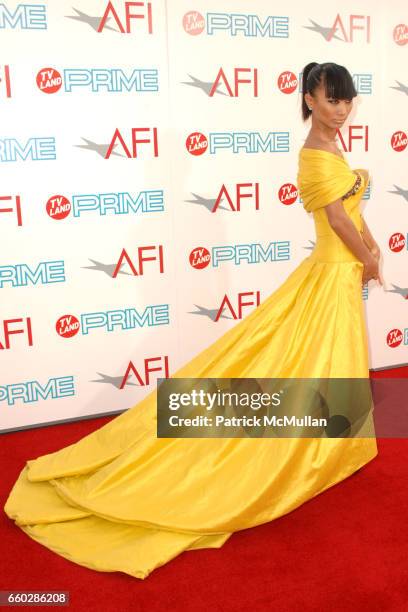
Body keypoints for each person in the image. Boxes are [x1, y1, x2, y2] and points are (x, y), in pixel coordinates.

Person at [4, 61, 382, 580]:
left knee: (325, 362)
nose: (341, 109)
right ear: (309, 100)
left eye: (347, 99)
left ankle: (328, 449)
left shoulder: (334, 146)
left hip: (339, 273)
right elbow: (337, 219)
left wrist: (371, 243)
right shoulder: (314, 153)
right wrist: (369, 258)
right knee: (298, 359)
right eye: (330, 98)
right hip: (334, 270)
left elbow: (351, 210)